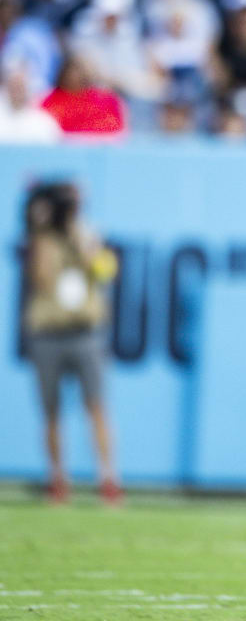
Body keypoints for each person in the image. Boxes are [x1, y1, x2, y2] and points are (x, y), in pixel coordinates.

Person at [21, 182, 121, 505]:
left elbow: (106, 271)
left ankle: (108, 480)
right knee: (51, 410)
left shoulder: (87, 233)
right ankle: (58, 479)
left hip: (85, 331)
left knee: (96, 406)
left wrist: (81, 241)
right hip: (48, 332)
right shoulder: (41, 239)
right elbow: (42, 278)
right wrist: (44, 231)